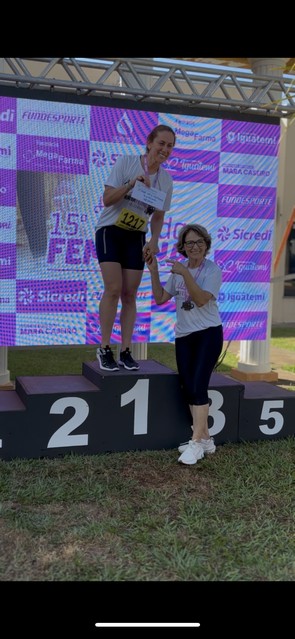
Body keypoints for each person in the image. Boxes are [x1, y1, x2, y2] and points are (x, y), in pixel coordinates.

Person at [95, 124, 176, 371]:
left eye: (170, 146)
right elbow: (107, 199)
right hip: (110, 230)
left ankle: (126, 350)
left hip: (136, 236)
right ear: (149, 142)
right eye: (161, 143)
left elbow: (159, 216)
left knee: (130, 294)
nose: (165, 149)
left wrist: (154, 240)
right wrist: (131, 184)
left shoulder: (166, 180)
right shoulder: (127, 162)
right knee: (113, 288)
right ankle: (104, 348)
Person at [145, 223, 223, 465]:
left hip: (208, 334)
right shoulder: (178, 272)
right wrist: (154, 271)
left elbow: (200, 300)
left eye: (199, 242)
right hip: (184, 336)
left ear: (206, 245)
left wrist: (186, 273)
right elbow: (160, 299)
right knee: (189, 387)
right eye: (189, 243)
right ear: (183, 247)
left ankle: (196, 442)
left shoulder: (212, 270)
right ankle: (206, 439)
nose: (195, 247)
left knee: (199, 386)